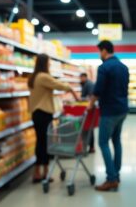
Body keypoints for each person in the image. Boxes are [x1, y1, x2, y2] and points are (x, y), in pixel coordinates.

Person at [28, 53, 78, 183]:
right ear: (44, 63)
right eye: (49, 62)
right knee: (44, 143)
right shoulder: (43, 76)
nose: (50, 64)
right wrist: (71, 89)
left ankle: (40, 172)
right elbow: (58, 85)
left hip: (36, 113)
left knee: (41, 142)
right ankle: (42, 172)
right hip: (43, 113)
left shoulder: (34, 77)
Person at [88, 40, 129, 192]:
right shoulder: (124, 67)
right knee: (116, 141)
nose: (100, 55)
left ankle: (111, 179)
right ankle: (116, 175)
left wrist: (90, 104)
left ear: (104, 51)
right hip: (122, 109)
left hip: (109, 111)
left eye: (100, 51)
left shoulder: (104, 67)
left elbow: (98, 90)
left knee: (103, 142)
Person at [79, 73, 96, 153]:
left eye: (81, 78)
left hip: (89, 108)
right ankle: (90, 146)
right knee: (89, 127)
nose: (80, 79)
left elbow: (90, 96)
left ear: (85, 77)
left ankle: (90, 146)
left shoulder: (88, 84)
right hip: (89, 107)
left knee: (89, 128)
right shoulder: (85, 84)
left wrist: (82, 99)